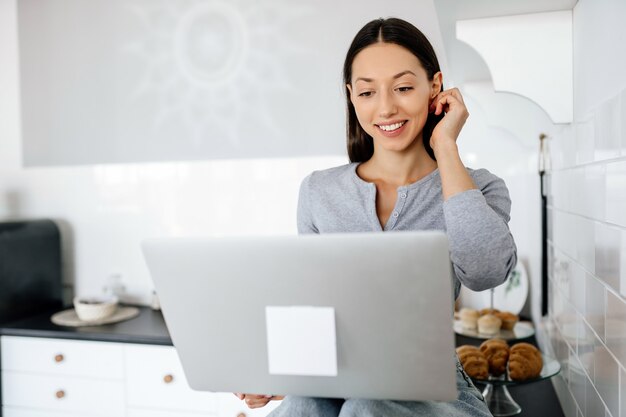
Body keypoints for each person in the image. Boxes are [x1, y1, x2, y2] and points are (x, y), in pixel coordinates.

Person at [235, 17, 517, 416]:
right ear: (351, 96)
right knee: (303, 404)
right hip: (337, 378)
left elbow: (486, 271)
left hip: (436, 391)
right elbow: (313, 308)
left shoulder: (478, 188)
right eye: (368, 92)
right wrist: (273, 373)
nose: (385, 107)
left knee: (365, 407)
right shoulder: (319, 192)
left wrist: (447, 146)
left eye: (403, 88)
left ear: (435, 87)